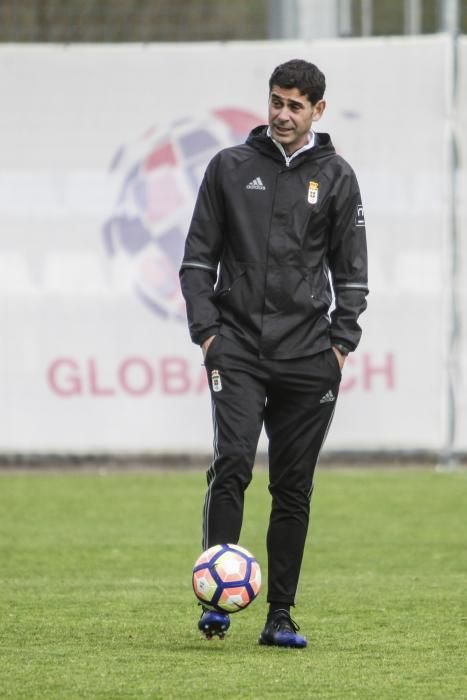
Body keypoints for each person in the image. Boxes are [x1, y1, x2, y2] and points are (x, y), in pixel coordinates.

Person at [179, 58, 368, 648]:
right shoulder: (228, 167)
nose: (283, 115)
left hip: (309, 357)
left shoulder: (337, 177)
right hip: (234, 347)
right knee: (232, 462)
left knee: (293, 487)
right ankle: (218, 604)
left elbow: (353, 273)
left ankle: (279, 615)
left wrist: (340, 344)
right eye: (276, 102)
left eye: (295, 105)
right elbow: (195, 261)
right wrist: (208, 335)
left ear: (318, 110)